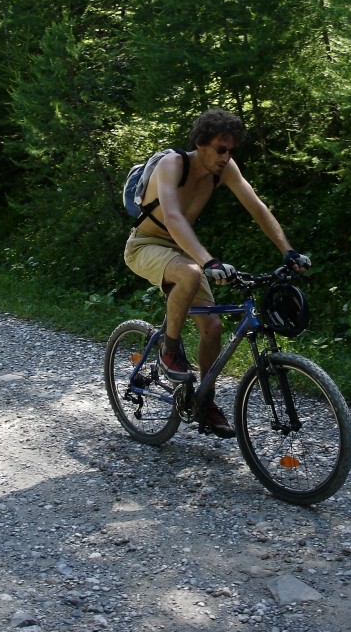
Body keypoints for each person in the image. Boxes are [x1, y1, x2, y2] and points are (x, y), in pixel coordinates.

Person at [124, 108, 310, 438]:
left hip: (182, 249)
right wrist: (209, 262)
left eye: (231, 150)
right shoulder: (173, 165)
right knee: (193, 273)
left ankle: (203, 402)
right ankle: (169, 352)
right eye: (220, 149)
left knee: (212, 327)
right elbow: (173, 219)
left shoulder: (223, 170)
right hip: (146, 243)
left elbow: (257, 207)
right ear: (202, 143)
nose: (226, 156)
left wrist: (288, 251)